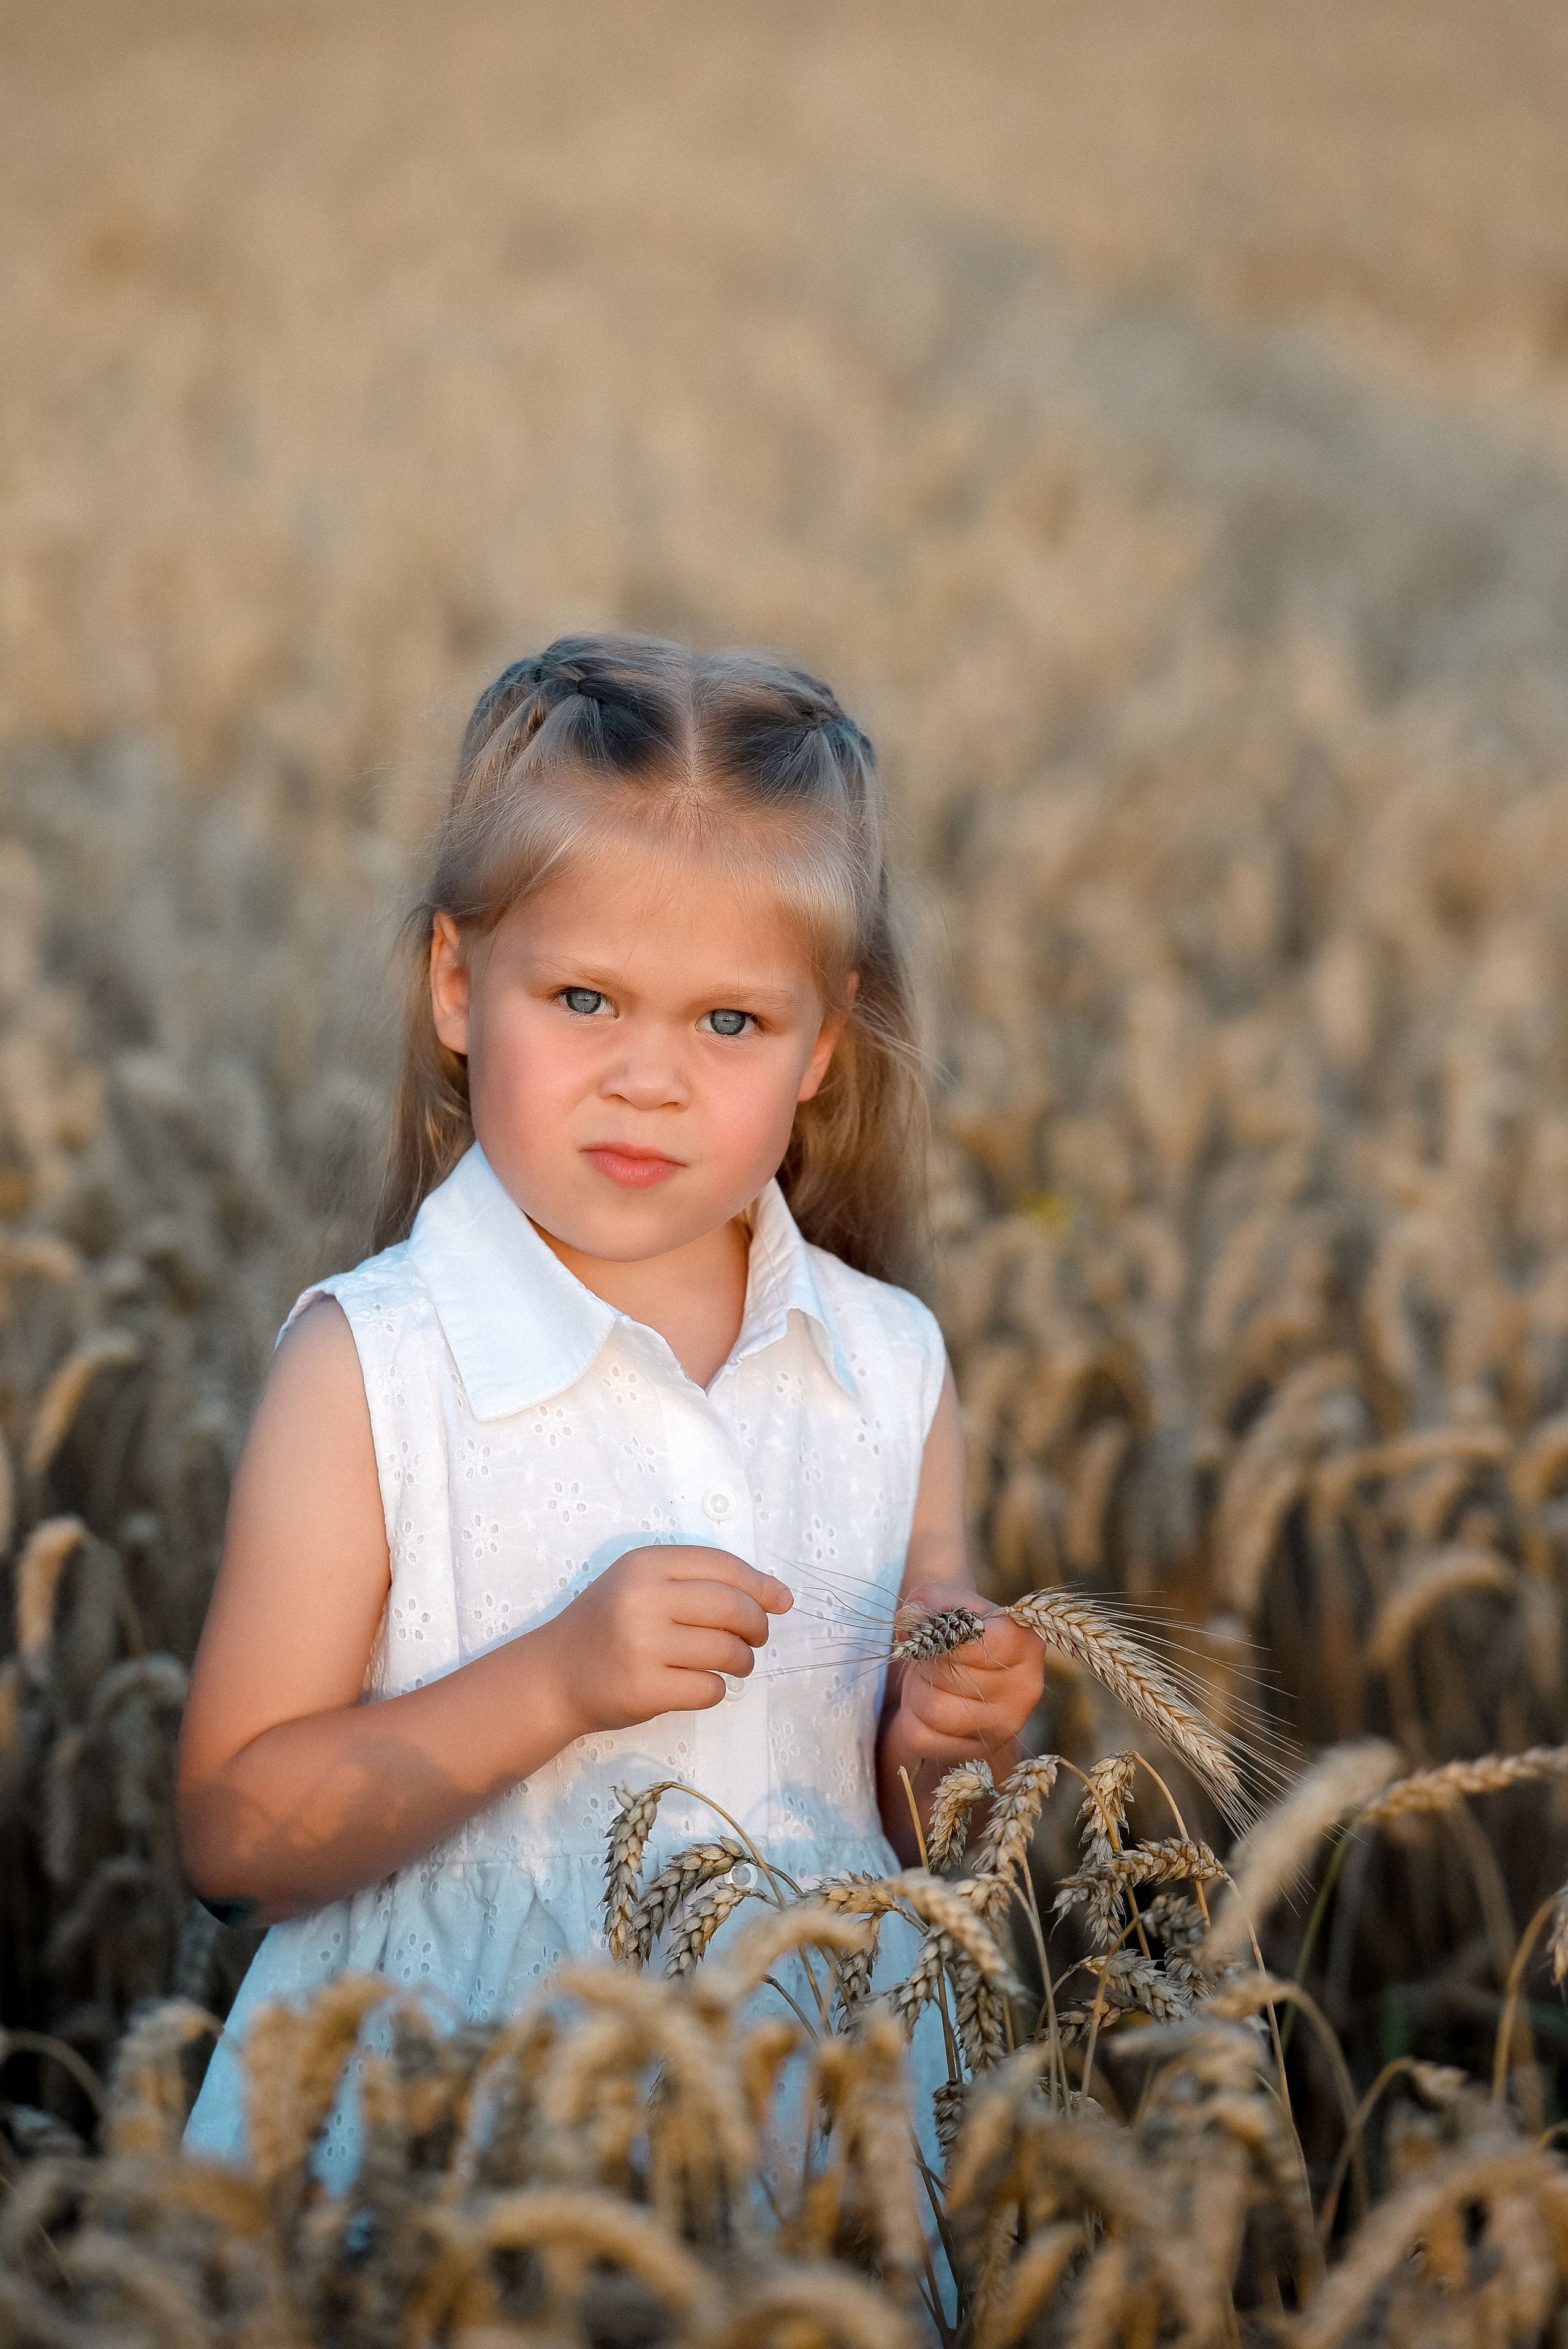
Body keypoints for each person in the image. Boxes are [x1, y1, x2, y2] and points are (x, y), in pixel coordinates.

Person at [178, 634, 1046, 2170]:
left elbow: (922, 1845)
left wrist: (944, 1735)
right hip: (448, 2147)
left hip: (804, 2141)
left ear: (820, 1045)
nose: (648, 1077)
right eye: (585, 997)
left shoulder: (887, 1365)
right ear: (458, 983)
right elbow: (237, 1835)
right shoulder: (371, 1370)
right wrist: (553, 1682)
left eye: (728, 1022)